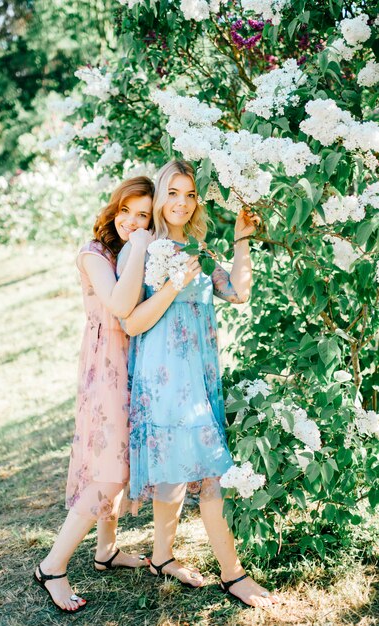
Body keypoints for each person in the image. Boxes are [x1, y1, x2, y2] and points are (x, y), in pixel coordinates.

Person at [118, 161, 280, 608]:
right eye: (173, 192)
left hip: (199, 376)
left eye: (189, 194)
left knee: (177, 469)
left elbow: (237, 293)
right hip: (165, 379)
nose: (181, 203)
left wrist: (242, 239)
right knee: (211, 474)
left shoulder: (198, 246)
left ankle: (162, 556)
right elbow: (130, 322)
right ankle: (233, 574)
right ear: (158, 196)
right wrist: (172, 284)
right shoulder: (143, 249)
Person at [33, 176, 154, 613]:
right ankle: (52, 566)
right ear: (114, 209)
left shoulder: (135, 249)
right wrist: (141, 245)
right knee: (107, 470)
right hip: (106, 367)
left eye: (144, 215)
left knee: (119, 461)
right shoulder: (94, 253)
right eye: (127, 211)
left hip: (136, 362)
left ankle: (105, 551)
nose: (133, 222)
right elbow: (120, 304)